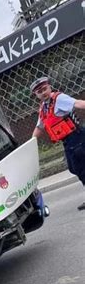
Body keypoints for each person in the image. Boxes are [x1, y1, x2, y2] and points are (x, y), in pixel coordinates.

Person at [31, 77, 85, 210]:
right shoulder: (44, 108)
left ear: (49, 87)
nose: (43, 93)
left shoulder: (59, 99)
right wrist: (30, 144)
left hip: (77, 137)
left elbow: (78, 103)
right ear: (36, 95)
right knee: (74, 168)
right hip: (68, 141)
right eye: (39, 91)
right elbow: (40, 127)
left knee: (81, 168)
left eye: (44, 89)